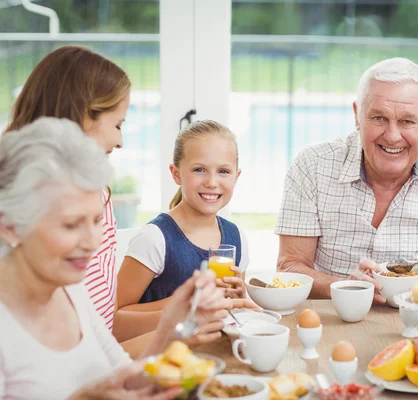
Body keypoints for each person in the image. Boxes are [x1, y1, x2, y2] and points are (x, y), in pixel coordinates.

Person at [0, 118, 228, 400]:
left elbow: (122, 378)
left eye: (96, 220)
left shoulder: (70, 291)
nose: (92, 241)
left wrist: (172, 329)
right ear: (9, 226)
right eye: (71, 225)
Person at [275, 57, 418, 301]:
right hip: (332, 321)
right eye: (379, 118)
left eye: (407, 121)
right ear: (357, 116)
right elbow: (289, 268)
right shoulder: (312, 165)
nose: (393, 136)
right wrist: (344, 286)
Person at [5, 45, 130, 330]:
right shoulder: (25, 206)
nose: (121, 140)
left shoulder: (98, 193)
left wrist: (181, 321)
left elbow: (102, 326)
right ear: (84, 117)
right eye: (118, 124)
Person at [115, 120, 253, 342]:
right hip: (163, 364)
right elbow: (113, 322)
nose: (211, 182)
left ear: (236, 176)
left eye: (224, 171)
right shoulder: (155, 239)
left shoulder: (237, 239)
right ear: (176, 173)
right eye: (199, 170)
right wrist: (187, 306)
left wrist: (237, 297)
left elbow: (228, 313)